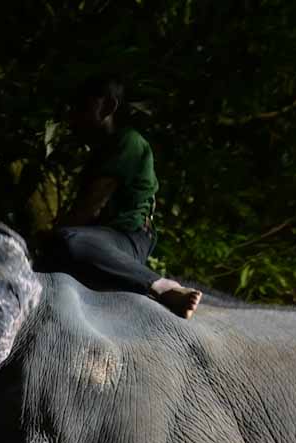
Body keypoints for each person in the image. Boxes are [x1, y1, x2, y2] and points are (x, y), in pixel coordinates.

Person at [37, 76, 202, 318]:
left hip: (128, 237)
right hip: (102, 237)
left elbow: (89, 209)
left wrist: (48, 239)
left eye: (82, 107)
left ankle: (161, 286)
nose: (73, 116)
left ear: (108, 107)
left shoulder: (127, 142)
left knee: (67, 240)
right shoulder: (99, 152)